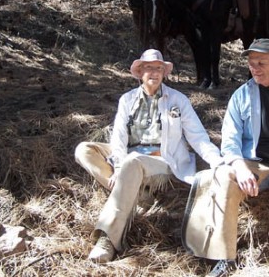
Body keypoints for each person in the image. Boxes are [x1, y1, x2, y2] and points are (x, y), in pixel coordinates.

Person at [183, 38, 269, 277]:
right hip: (255, 162)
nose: (255, 68)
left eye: (261, 62)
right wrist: (239, 166)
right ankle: (225, 257)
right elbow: (230, 141)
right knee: (225, 176)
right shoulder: (241, 96)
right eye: (251, 63)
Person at [75, 48, 223, 263]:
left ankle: (107, 238)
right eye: (148, 68)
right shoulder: (127, 100)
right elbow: (118, 137)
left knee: (133, 162)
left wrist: (217, 161)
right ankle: (135, 190)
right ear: (139, 72)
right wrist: (117, 166)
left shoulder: (178, 100)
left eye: (158, 68)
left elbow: (198, 137)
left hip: (162, 160)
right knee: (84, 149)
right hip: (129, 155)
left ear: (164, 73)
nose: (153, 72)